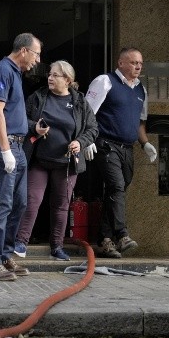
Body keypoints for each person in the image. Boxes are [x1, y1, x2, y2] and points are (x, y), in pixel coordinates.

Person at [13, 61, 99, 261]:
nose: (50, 78)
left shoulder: (80, 102)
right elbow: (21, 119)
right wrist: (35, 127)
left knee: (61, 205)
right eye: (49, 75)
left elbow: (93, 128)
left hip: (67, 163)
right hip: (39, 159)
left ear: (67, 80)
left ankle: (57, 247)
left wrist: (80, 142)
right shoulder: (38, 97)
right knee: (32, 200)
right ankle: (21, 242)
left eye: (55, 75)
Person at [83, 47, 158, 258]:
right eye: (134, 62)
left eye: (140, 63)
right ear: (121, 63)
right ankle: (122, 235)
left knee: (117, 191)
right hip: (105, 144)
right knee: (116, 186)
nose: (138, 67)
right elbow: (87, 113)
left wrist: (145, 143)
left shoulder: (141, 90)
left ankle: (105, 239)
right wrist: (87, 139)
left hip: (127, 148)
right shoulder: (105, 81)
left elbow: (140, 123)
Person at [0, 33, 42, 281]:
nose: (38, 60)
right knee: (2, 205)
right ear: (24, 51)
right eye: (36, 54)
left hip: (18, 146)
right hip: (3, 146)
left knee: (19, 204)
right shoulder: (3, 71)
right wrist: (6, 151)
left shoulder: (15, 73)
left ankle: (5, 256)